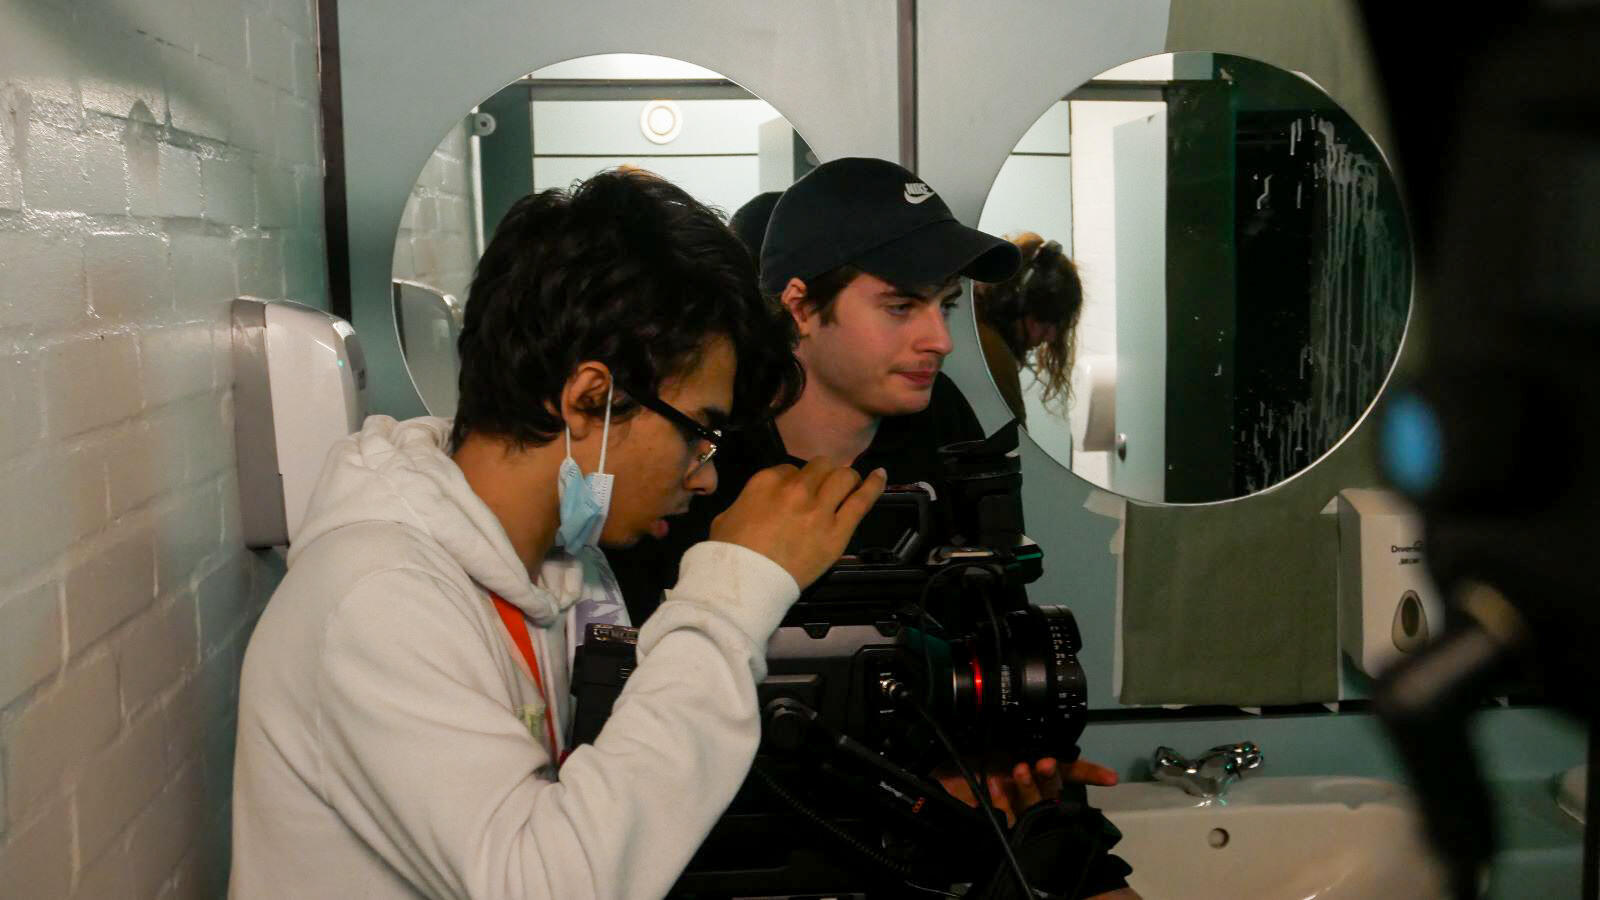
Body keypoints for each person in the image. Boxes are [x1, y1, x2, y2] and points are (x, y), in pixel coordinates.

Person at [229, 170, 887, 899]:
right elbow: (548, 883)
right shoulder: (377, 600)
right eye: (699, 431)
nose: (704, 477)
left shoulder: (560, 570)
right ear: (589, 398)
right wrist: (732, 595)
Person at [609, 158, 1136, 898]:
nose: (940, 339)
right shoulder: (697, 456)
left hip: (927, 833)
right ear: (800, 305)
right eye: (900, 306)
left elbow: (989, 640)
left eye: (944, 305)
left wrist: (1012, 766)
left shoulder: (944, 424)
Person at [973, 233, 1084, 427]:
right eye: (1046, 321)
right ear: (1014, 305)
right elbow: (1012, 444)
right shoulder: (994, 358)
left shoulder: (976, 330)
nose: (1051, 336)